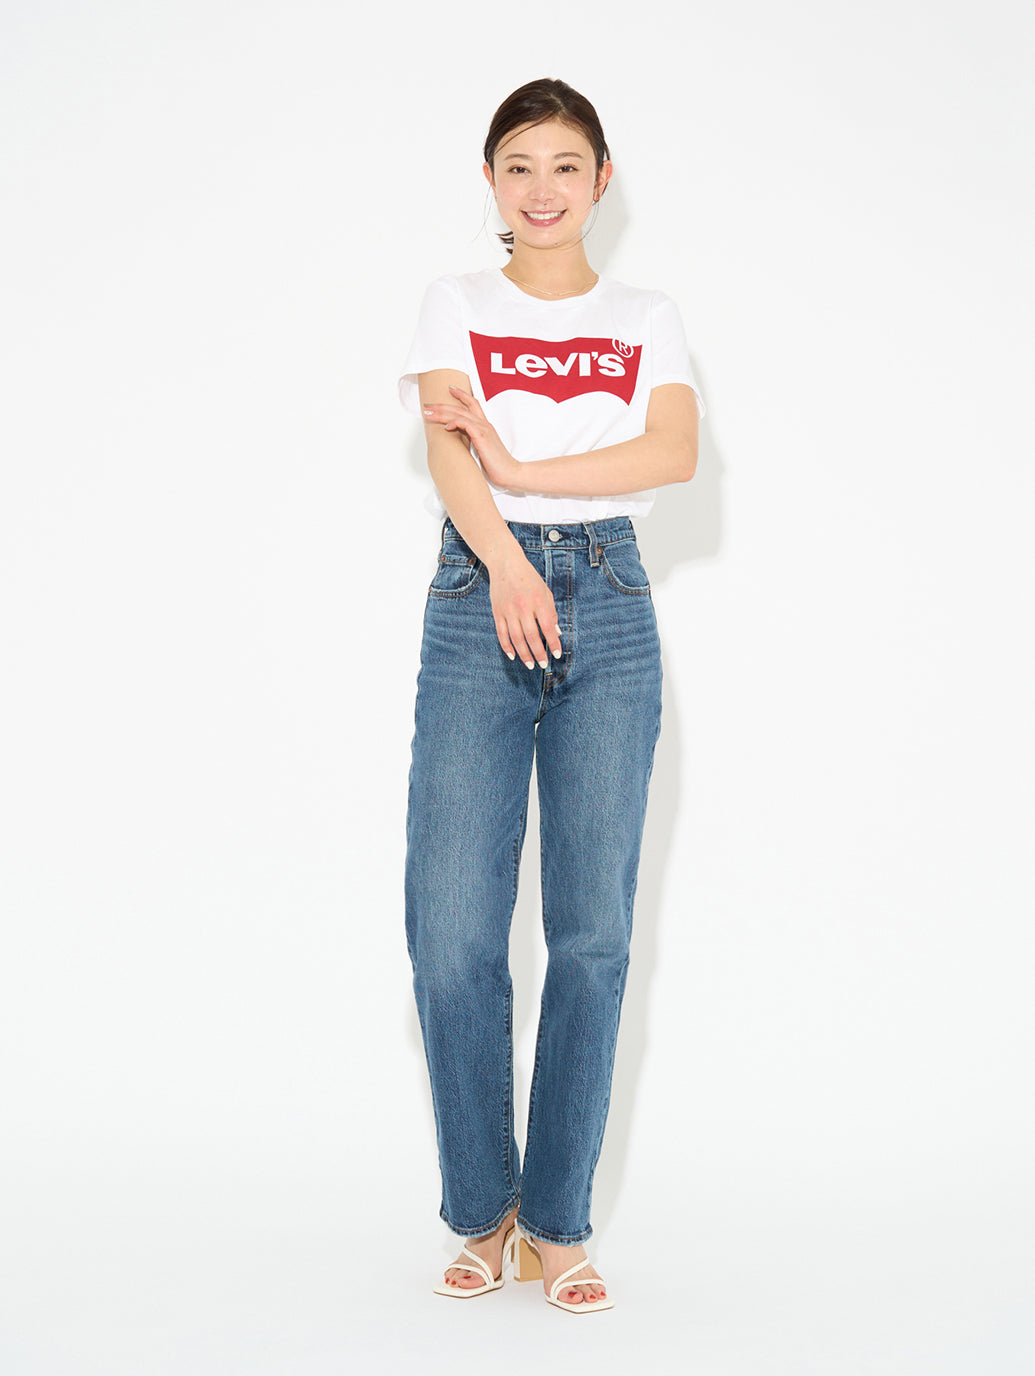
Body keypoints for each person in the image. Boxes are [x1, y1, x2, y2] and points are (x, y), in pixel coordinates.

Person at [398, 77, 705, 1313]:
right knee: (453, 932)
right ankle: (484, 1207)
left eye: (565, 165)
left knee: (592, 935)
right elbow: (446, 450)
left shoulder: (646, 314)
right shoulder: (457, 302)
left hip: (612, 602)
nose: (542, 188)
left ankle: (558, 1223)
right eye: (518, 165)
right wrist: (512, 554)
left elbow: (673, 451)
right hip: (480, 593)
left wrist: (523, 462)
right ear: (491, 180)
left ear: (601, 179)